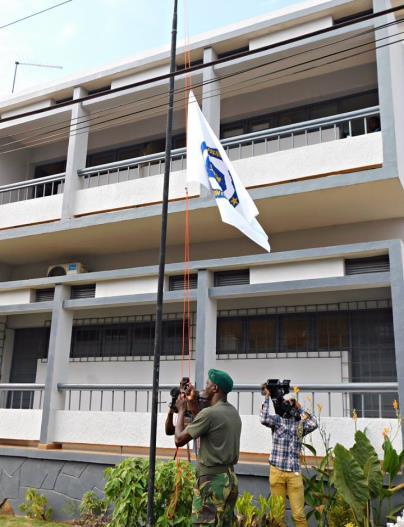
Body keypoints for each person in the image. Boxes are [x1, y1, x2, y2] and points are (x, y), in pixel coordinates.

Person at [175, 369, 242, 527]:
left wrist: (181, 410)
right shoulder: (232, 411)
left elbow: (179, 439)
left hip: (211, 482)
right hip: (229, 478)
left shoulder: (210, 414)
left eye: (207, 384)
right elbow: (206, 424)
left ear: (215, 388)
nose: (203, 388)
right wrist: (192, 403)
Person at [260, 388, 318, 527]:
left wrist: (300, 407)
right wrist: (267, 398)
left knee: (298, 515)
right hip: (277, 471)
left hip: (294, 473)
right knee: (277, 516)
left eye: (290, 402)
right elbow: (264, 418)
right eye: (286, 402)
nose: (288, 405)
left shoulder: (300, 425)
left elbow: (314, 423)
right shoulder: (277, 421)